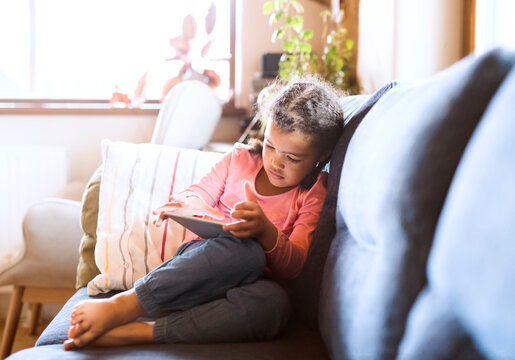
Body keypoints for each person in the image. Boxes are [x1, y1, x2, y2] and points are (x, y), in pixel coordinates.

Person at [63, 75, 344, 350]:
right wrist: (182, 205)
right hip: (201, 271)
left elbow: (295, 266)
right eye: (270, 146)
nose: (275, 163)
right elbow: (198, 193)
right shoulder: (240, 160)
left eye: (292, 158)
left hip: (247, 294)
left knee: (276, 304)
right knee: (245, 252)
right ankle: (125, 304)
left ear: (322, 155)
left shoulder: (313, 192)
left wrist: (265, 232)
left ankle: (142, 333)